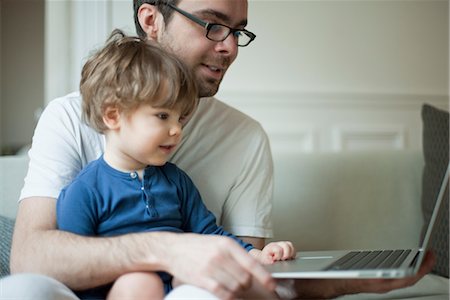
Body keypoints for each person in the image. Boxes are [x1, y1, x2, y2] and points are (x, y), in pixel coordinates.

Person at [4, 0, 434, 299]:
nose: (229, 46)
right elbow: (36, 256)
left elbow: (237, 274)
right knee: (22, 289)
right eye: (211, 23)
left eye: (238, 30)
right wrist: (165, 249)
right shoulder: (69, 119)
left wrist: (346, 280)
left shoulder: (241, 141)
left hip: (182, 292)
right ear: (152, 20)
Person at [56, 29, 295, 299]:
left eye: (180, 119)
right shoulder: (84, 190)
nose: (176, 130)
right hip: (126, 291)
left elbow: (208, 233)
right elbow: (76, 268)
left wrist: (256, 254)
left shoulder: (175, 180)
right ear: (113, 116)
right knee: (140, 283)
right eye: (162, 116)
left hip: (178, 288)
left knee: (206, 281)